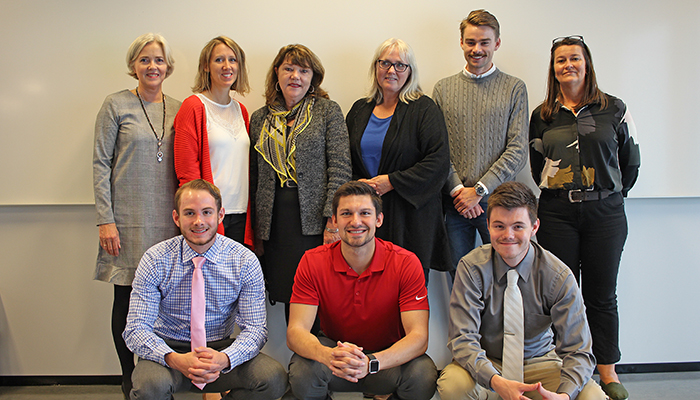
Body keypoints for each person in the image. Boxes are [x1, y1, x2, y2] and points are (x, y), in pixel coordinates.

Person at [529, 36, 641, 400]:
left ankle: (607, 370)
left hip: (605, 212)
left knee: (602, 295)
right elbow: (537, 165)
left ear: (586, 63)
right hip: (557, 212)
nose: (568, 65)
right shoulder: (542, 115)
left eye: (574, 58)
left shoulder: (614, 108)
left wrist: (605, 194)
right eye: (561, 60)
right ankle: (568, 367)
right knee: (561, 295)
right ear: (553, 68)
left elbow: (631, 161)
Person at [438, 182, 606, 400]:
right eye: (499, 226)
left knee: (592, 396)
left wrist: (565, 396)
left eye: (518, 226)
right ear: (488, 225)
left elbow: (578, 350)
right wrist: (496, 381)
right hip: (488, 362)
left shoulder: (558, 276)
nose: (508, 235)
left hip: (540, 363)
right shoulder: (471, 268)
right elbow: (462, 338)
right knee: (453, 385)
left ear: (534, 227)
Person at [123, 179, 287, 400]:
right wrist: (173, 358)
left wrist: (225, 359)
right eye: (189, 213)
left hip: (220, 349)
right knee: (149, 386)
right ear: (176, 218)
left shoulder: (244, 261)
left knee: (273, 379)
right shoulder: (155, 259)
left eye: (207, 212)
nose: (198, 221)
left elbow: (256, 330)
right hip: (169, 351)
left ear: (220, 215)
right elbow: (136, 328)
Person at [287, 181, 437, 400]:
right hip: (335, 356)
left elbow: (419, 337)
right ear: (334, 220)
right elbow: (296, 332)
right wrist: (329, 355)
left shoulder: (406, 262)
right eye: (346, 213)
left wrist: (371, 363)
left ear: (379, 219)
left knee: (423, 374)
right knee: (302, 373)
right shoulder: (312, 261)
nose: (355, 221)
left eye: (365, 213)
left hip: (385, 361)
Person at [93, 32, 181, 398]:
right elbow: (100, 163)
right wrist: (105, 220)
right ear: (133, 66)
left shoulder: (180, 108)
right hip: (127, 221)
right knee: (127, 300)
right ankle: (128, 376)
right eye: (145, 59)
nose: (152, 66)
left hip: (169, 222)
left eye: (158, 60)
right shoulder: (115, 104)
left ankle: (159, 374)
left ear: (168, 66)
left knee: (166, 303)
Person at [250, 44, 351, 322]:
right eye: (289, 69)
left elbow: (340, 168)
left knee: (319, 292)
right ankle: (297, 348)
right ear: (277, 73)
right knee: (288, 291)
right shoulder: (260, 118)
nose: (295, 76)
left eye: (303, 71)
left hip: (315, 221)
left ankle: (319, 349)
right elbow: (255, 176)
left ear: (313, 77)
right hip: (276, 223)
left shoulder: (327, 111)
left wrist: (333, 221)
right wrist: (257, 230)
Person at [346, 38, 450, 284]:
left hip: (410, 217)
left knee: (408, 286)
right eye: (385, 63)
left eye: (400, 65)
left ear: (410, 71)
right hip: (367, 214)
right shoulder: (359, 109)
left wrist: (392, 181)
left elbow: (438, 161)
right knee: (367, 286)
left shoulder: (424, 109)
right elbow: (344, 158)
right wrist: (360, 185)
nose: (391, 70)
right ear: (376, 67)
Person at [432, 9, 528, 277]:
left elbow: (518, 150)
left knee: (507, 277)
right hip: (456, 203)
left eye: (484, 42)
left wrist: (480, 190)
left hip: (500, 202)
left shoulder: (514, 88)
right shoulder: (443, 89)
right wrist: (459, 191)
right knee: (460, 279)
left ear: (497, 43)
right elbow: (437, 149)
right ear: (461, 43)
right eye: (471, 42)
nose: (477, 49)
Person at [174, 36, 253, 247]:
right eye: (219, 60)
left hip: (241, 213)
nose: (227, 66)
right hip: (208, 216)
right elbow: (187, 172)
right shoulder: (193, 107)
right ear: (206, 66)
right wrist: (202, 213)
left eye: (233, 60)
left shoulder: (241, 110)